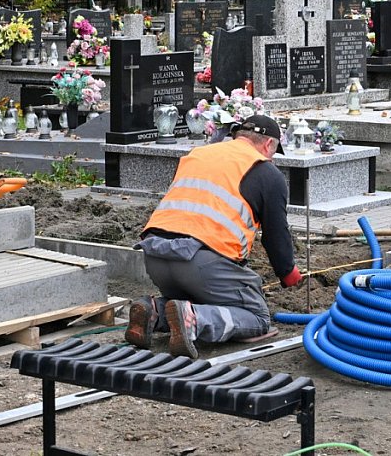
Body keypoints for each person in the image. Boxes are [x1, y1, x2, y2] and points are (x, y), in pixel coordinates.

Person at [125, 115, 303, 359]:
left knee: (192, 299)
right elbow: (275, 235)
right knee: (257, 317)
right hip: (200, 263)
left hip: (155, 255)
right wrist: (287, 273)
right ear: (269, 144)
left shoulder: (200, 154)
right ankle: (195, 320)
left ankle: (151, 310)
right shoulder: (265, 171)